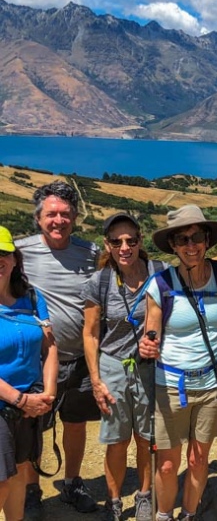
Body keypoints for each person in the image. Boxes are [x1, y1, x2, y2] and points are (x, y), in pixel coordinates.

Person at [139, 205, 217, 521]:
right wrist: (147, 343)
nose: (190, 245)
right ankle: (164, 514)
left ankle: (189, 514)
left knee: (198, 460)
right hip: (171, 387)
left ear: (207, 239)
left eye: (196, 237)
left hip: (212, 387)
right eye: (182, 239)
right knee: (167, 463)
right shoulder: (161, 285)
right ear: (173, 246)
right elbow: (151, 329)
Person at [15, 181, 100, 517]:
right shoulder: (20, 253)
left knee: (76, 424)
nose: (58, 220)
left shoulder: (91, 253)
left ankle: (73, 484)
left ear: (75, 217)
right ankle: (32, 492)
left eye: (65, 214)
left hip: (80, 359)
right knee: (33, 431)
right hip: (37, 362)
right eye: (51, 214)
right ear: (38, 218)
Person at [83, 213, 166, 521]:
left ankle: (144, 496)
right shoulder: (100, 281)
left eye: (131, 240)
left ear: (140, 241)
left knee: (146, 438)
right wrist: (95, 379)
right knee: (117, 440)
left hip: (148, 368)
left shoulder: (160, 273)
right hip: (113, 366)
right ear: (107, 244)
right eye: (117, 241)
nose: (124, 247)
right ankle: (114, 501)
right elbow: (90, 333)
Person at [0, 226, 58, 521]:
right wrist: (21, 400)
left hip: (28, 406)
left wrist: (48, 393)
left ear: (14, 259)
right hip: (7, 405)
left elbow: (49, 347)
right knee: (1, 482)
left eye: (3, 253)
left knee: (22, 471)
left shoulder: (33, 298)